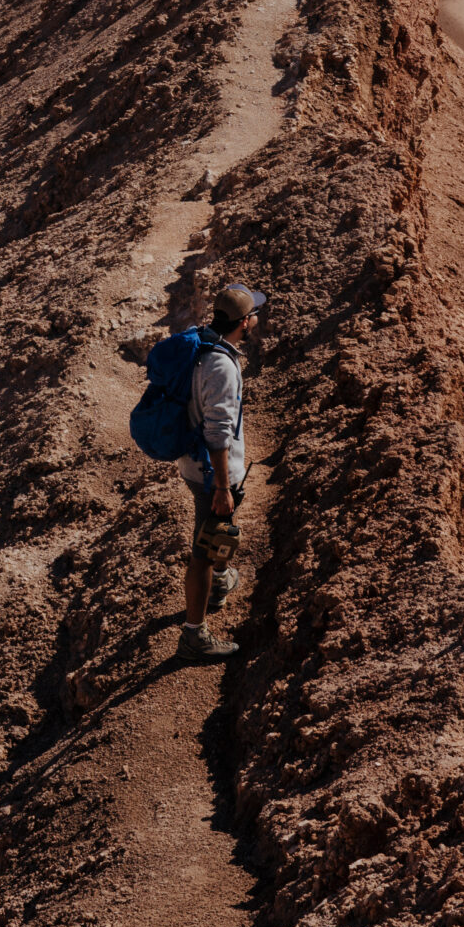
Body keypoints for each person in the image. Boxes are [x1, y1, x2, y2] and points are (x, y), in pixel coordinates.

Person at [179, 282, 264, 660]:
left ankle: (221, 578)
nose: (257, 319)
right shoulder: (221, 366)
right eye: (254, 314)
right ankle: (193, 636)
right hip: (210, 473)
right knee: (204, 548)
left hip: (194, 463)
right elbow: (217, 432)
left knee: (216, 533)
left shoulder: (202, 345)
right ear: (244, 322)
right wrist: (222, 486)